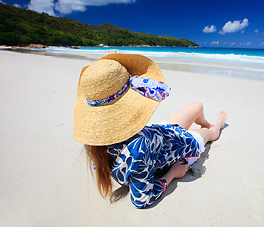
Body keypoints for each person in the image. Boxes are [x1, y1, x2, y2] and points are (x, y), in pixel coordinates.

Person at [73, 53, 226, 208]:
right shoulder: (137, 150)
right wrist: (172, 174)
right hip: (180, 146)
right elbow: (142, 200)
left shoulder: (94, 141)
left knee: (197, 106)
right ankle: (216, 126)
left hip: (157, 135)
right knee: (210, 134)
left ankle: (204, 124)